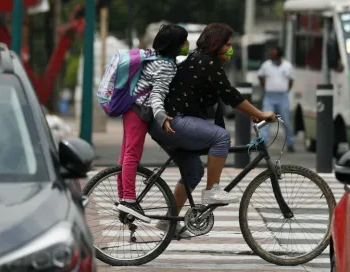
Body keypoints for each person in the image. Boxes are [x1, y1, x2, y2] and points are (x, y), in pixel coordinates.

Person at [148, 23, 276, 233]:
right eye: (227, 44)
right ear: (216, 44)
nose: (230, 48)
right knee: (221, 137)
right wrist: (260, 114)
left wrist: (253, 113)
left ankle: (168, 221)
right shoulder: (206, 63)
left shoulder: (200, 59)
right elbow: (231, 95)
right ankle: (211, 190)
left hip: (165, 123)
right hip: (172, 121)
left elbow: (227, 97)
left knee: (193, 172)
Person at [115, 25, 190, 220]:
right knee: (132, 154)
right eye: (184, 41)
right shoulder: (165, 65)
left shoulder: (154, 57)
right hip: (140, 111)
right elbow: (157, 94)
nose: (186, 44)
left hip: (131, 108)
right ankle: (129, 200)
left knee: (125, 155)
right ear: (176, 45)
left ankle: (123, 197)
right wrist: (162, 117)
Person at [257, 47, 295, 152]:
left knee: (286, 121)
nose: (272, 58)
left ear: (279, 56)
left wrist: (286, 90)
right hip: (269, 96)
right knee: (265, 120)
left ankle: (290, 143)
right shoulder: (266, 65)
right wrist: (264, 86)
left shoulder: (287, 66)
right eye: (271, 56)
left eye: (274, 56)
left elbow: (291, 80)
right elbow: (260, 76)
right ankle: (263, 143)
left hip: (282, 97)